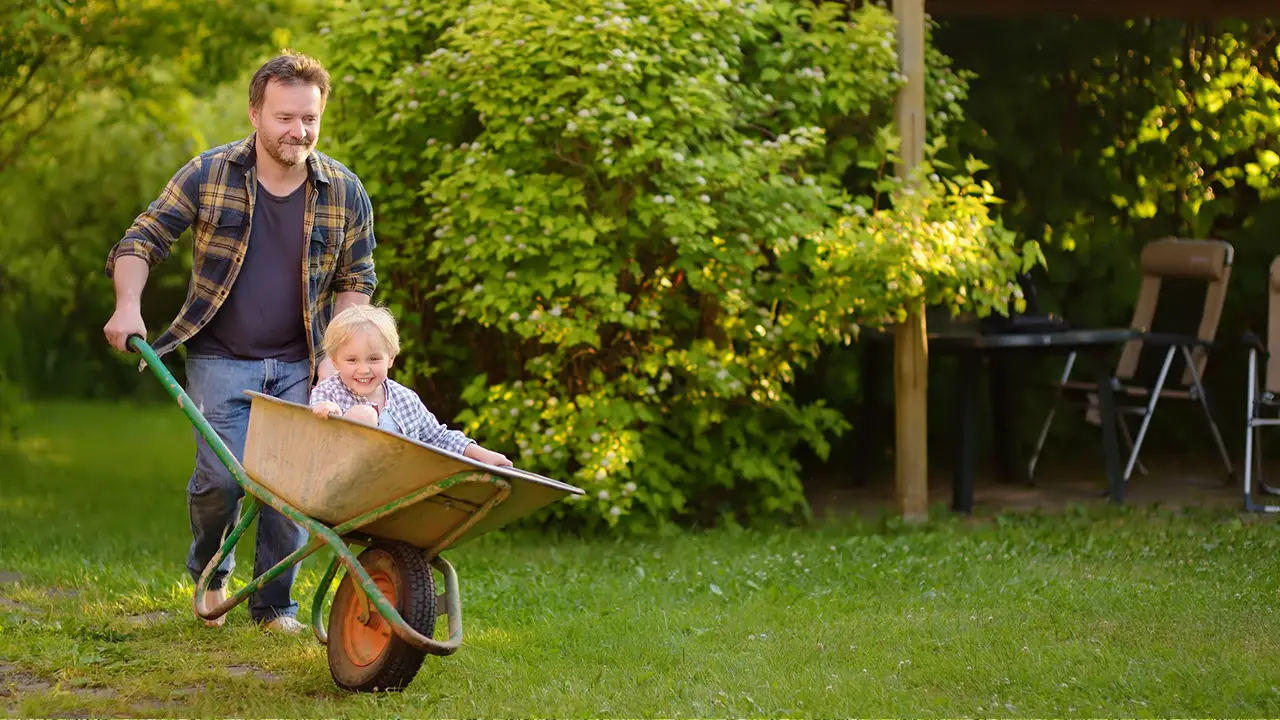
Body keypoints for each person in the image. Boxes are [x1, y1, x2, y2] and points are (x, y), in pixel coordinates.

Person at [102, 51, 377, 633]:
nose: (298, 131)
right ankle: (212, 572)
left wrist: (336, 360)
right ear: (255, 112)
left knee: (291, 491)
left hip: (304, 361)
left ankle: (273, 605)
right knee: (221, 481)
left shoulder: (344, 191)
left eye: (309, 118)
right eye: (284, 117)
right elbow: (143, 238)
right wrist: (129, 305)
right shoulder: (209, 174)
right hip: (220, 356)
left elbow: (357, 282)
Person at [310, 305, 513, 467]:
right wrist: (323, 412)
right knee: (364, 415)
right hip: (344, 481)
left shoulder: (405, 398)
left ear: (390, 359)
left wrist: (482, 454)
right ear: (335, 362)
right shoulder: (329, 392)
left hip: (397, 485)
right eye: (352, 360)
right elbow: (310, 426)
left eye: (373, 359)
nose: (363, 370)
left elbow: (439, 437)